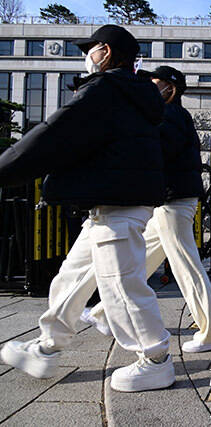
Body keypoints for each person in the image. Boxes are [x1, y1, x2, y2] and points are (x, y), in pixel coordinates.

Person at [0, 25, 174, 392]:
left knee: (121, 285)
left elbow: (51, 135)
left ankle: (155, 358)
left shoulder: (105, 91)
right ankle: (47, 348)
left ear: (106, 52)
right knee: (72, 277)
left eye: (91, 48)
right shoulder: (134, 94)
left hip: (119, 203)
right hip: (111, 202)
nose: (88, 55)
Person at [81, 66, 211, 353]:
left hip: (174, 202)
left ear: (169, 89)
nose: (149, 90)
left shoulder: (169, 115)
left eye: (155, 85)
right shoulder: (168, 114)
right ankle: (104, 314)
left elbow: (156, 153)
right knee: (143, 259)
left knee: (187, 266)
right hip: (169, 201)